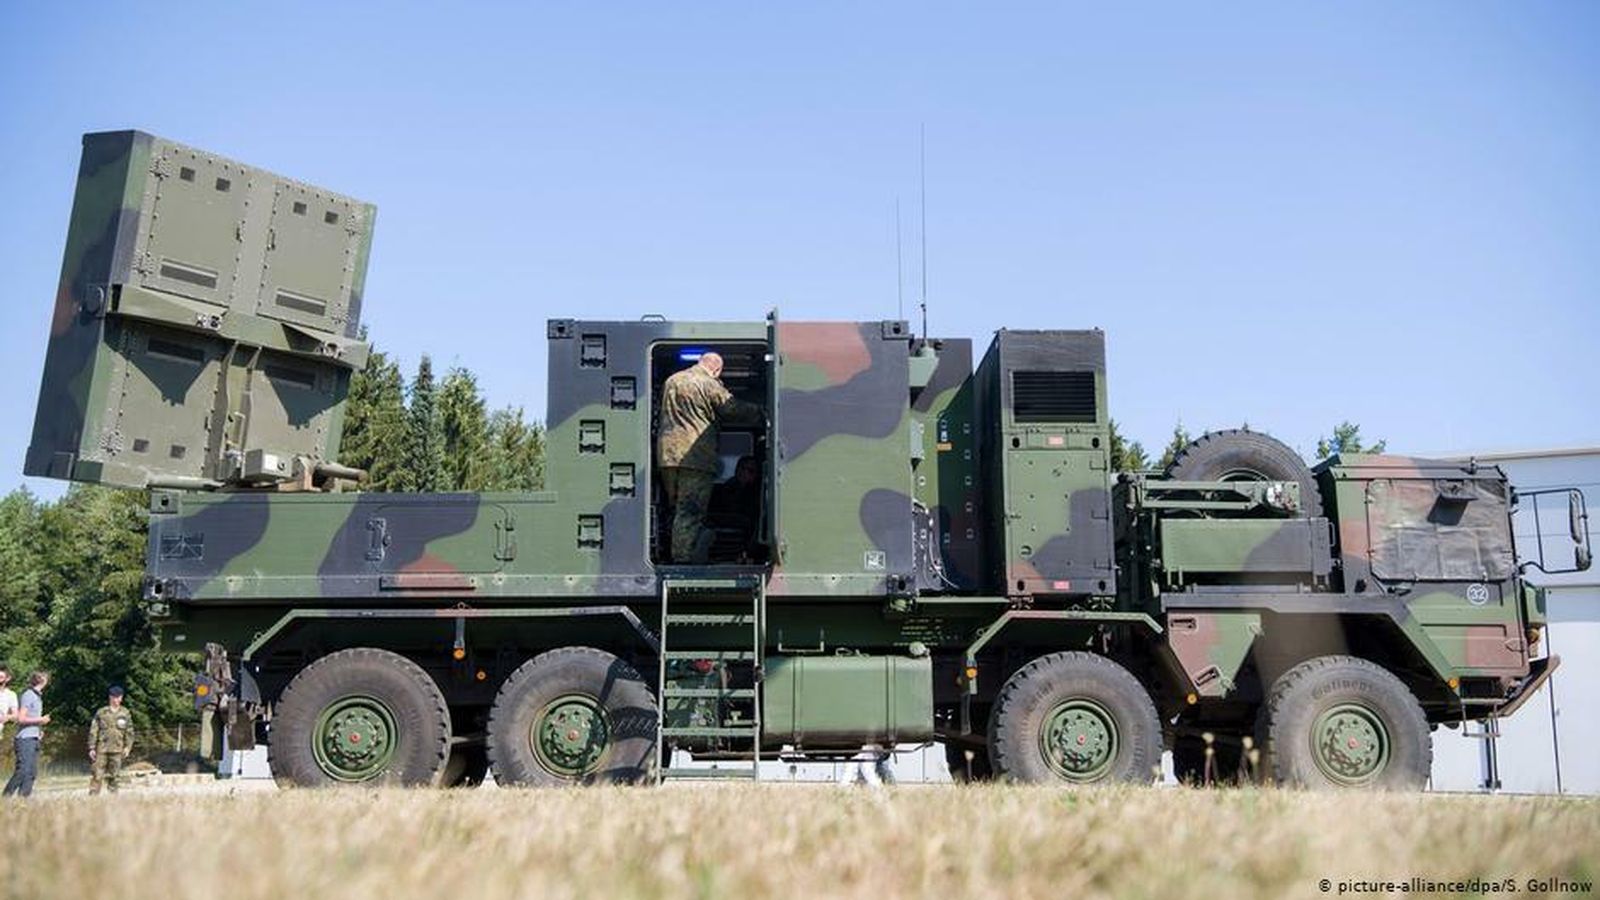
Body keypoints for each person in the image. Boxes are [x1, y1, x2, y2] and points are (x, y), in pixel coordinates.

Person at [657, 352, 763, 564]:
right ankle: (683, 561)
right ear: (716, 369)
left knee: (675, 507)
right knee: (691, 511)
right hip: (695, 458)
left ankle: (669, 553)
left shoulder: (672, 380)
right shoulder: (708, 383)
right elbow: (730, 408)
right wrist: (760, 412)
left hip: (668, 456)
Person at [3, 671, 50, 798]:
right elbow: (21, 718)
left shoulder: (37, 696)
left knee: (31, 773)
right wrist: (40, 720)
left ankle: (22, 800)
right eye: (45, 677)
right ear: (41, 680)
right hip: (24, 739)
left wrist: (38, 730)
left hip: (33, 738)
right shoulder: (29, 695)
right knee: (22, 771)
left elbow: (30, 717)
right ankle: (5, 797)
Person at [89, 685, 135, 795]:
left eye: (118, 697)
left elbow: (129, 732)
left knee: (114, 776)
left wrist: (128, 747)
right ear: (110, 697)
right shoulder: (102, 712)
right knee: (97, 775)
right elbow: (93, 730)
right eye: (114, 697)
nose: (116, 699)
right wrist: (91, 747)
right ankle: (92, 800)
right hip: (102, 749)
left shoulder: (125, 713)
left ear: (121, 698)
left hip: (117, 749)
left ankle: (113, 800)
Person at [0, 668, 17, 742]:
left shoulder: (11, 695)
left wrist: (7, 717)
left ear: (8, 678)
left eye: (1, 677)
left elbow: (15, 715)